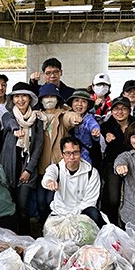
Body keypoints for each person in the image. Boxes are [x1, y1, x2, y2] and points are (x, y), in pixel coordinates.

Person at [0, 82, 44, 235]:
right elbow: (9, 123)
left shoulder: (37, 119)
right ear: (12, 100)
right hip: (8, 168)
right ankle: (11, 238)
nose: (20, 100)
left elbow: (38, 147)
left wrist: (29, 170)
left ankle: (25, 237)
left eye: (24, 96)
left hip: (27, 170)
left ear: (30, 99)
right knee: (9, 206)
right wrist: (15, 129)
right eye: (17, 96)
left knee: (23, 206)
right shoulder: (8, 115)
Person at [35, 83, 81, 222]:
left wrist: (75, 118)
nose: (49, 99)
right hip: (41, 166)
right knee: (41, 202)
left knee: (52, 201)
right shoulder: (36, 116)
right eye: (46, 97)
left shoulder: (62, 115)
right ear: (41, 99)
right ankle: (45, 227)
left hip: (58, 167)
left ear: (57, 99)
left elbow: (70, 118)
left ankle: (56, 227)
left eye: (52, 96)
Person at [41, 137, 104, 227]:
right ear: (62, 154)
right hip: (61, 211)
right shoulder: (56, 168)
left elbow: (90, 201)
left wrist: (73, 216)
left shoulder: (91, 173)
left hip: (82, 211)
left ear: (80, 153)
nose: (72, 157)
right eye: (68, 153)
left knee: (94, 214)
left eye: (75, 153)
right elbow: (48, 176)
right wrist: (50, 181)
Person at [99, 96, 135, 226]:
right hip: (112, 164)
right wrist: (107, 135)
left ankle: (132, 226)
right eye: (116, 109)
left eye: (123, 109)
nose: (119, 112)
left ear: (129, 110)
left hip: (134, 163)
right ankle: (111, 225)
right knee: (112, 198)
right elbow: (104, 130)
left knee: (134, 197)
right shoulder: (107, 125)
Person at [67, 89, 102, 166]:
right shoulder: (66, 116)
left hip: (86, 158)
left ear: (88, 105)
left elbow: (94, 125)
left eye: (84, 101)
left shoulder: (88, 118)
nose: (79, 104)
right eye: (76, 100)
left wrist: (95, 131)